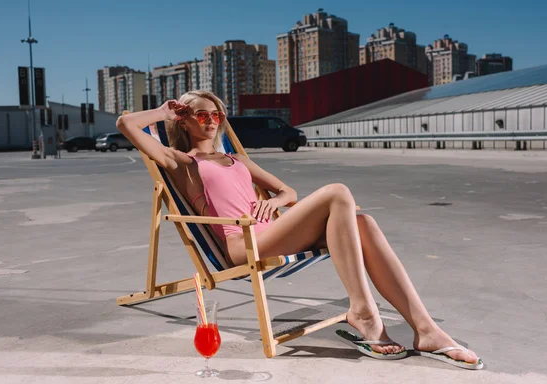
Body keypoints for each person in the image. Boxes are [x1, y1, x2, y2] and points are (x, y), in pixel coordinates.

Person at [116, 90, 483, 370]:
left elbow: (286, 192)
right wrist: (165, 111)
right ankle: (364, 313)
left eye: (216, 114)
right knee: (337, 192)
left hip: (272, 229)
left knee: (362, 222)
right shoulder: (182, 162)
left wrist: (273, 203)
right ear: (185, 121)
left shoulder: (237, 159)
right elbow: (126, 125)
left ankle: (427, 330)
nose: (211, 120)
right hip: (243, 243)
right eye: (200, 114)